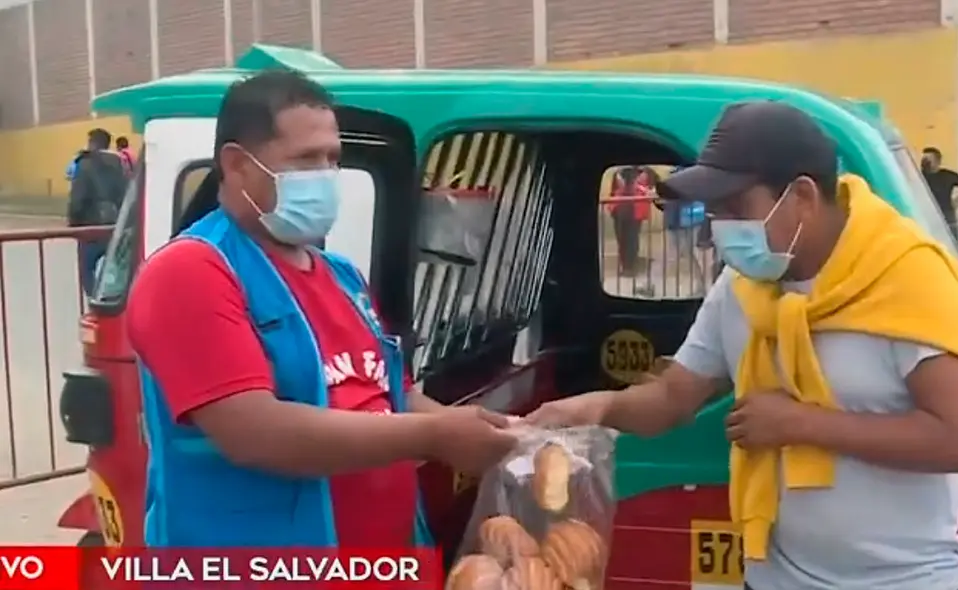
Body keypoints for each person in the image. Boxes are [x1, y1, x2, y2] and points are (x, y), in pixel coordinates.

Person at [529, 102, 958, 590]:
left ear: (801, 196)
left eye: (734, 208)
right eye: (714, 211)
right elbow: (671, 398)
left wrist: (799, 423)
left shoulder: (911, 282)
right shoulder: (743, 288)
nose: (720, 229)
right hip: (774, 576)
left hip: (903, 582)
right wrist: (590, 408)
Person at [125, 70, 516, 547]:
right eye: (306, 159)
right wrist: (434, 437)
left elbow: (391, 392)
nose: (326, 175)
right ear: (237, 164)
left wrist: (492, 434)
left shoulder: (341, 276)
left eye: (333, 159)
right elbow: (253, 431)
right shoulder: (191, 272)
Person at [68, 128, 127, 295]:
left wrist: (74, 225)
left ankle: (96, 303)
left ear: (92, 143)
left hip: (90, 226)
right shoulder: (118, 163)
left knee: (87, 270)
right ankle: (111, 301)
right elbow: (125, 192)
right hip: (115, 224)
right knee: (115, 269)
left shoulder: (84, 164)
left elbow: (77, 199)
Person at [606, 165, 658, 277]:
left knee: (632, 238)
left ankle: (629, 266)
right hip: (619, 210)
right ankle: (625, 265)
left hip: (635, 212)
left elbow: (654, 191)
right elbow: (613, 191)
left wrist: (640, 188)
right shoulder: (619, 171)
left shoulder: (648, 172)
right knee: (621, 239)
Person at [921, 146, 958, 242]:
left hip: (947, 215)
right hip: (928, 214)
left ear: (938, 161)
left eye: (928, 159)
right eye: (924, 159)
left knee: (952, 243)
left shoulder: (948, 175)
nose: (924, 162)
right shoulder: (920, 176)